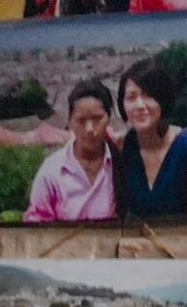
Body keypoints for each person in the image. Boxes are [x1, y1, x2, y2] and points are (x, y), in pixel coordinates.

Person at [114, 57, 187, 217]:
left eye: (148, 96)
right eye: (131, 97)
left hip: (180, 241)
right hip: (135, 242)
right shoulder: (123, 147)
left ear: (163, 99)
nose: (139, 105)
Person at [24, 80, 118, 224]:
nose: (89, 129)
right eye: (81, 120)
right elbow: (36, 225)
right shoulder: (52, 171)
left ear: (109, 117)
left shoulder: (121, 164)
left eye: (97, 118)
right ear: (70, 123)